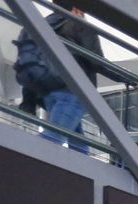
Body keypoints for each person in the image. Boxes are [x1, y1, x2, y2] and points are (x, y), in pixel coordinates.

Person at [13, 7, 102, 153]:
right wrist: (128, 79)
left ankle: (80, 173)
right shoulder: (79, 25)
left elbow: (27, 62)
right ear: (76, 10)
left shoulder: (39, 25)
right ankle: (19, 159)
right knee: (52, 139)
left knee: (79, 146)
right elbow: (97, 62)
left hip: (47, 93)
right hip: (73, 91)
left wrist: (28, 101)